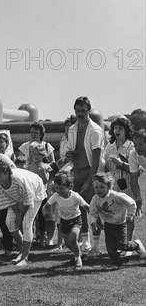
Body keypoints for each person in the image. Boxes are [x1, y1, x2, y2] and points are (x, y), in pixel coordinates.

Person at [65, 96, 105, 253]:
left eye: (83, 110)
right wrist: (69, 156)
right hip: (76, 171)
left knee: (94, 209)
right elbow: (72, 151)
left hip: (91, 172)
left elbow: (95, 160)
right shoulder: (72, 129)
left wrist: (91, 180)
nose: (80, 113)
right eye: (77, 110)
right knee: (79, 208)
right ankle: (85, 242)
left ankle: (95, 245)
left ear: (89, 110)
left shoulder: (95, 130)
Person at [0, 160, 47, 267]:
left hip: (36, 192)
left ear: (6, 173)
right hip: (18, 197)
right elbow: (8, 200)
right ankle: (22, 252)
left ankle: (25, 258)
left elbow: (28, 200)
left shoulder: (18, 180)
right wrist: (17, 214)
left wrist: (21, 216)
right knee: (10, 223)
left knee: (26, 224)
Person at [89, 172, 146, 268]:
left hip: (120, 225)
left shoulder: (116, 196)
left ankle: (136, 245)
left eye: (102, 187)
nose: (99, 190)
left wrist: (129, 216)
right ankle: (116, 264)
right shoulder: (95, 199)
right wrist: (93, 222)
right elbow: (93, 212)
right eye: (96, 187)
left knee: (123, 246)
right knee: (110, 247)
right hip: (108, 225)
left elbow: (131, 203)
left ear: (109, 186)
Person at [43, 172, 90, 268]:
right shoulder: (56, 196)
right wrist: (45, 212)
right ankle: (79, 253)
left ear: (69, 187)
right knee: (68, 244)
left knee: (73, 239)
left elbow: (86, 206)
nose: (58, 190)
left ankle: (77, 258)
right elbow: (46, 206)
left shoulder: (75, 196)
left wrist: (94, 216)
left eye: (61, 188)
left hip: (76, 220)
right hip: (64, 221)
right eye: (56, 188)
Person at [103, 117, 136, 247]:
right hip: (112, 188)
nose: (117, 130)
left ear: (126, 131)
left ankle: (128, 244)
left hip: (127, 187)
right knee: (114, 217)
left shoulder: (131, 146)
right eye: (115, 128)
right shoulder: (109, 147)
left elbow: (137, 170)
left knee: (128, 217)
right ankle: (118, 244)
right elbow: (105, 166)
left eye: (120, 128)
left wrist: (121, 164)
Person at [129, 129, 146, 216]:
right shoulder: (133, 154)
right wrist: (138, 198)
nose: (137, 148)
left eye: (140, 144)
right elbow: (133, 179)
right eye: (135, 144)